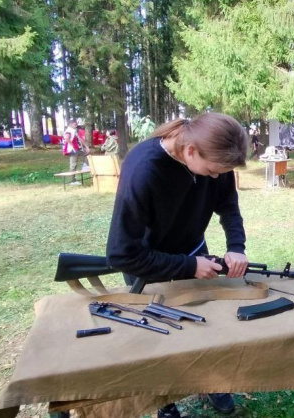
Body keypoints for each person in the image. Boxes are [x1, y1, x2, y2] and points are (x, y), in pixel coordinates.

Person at [106, 112, 250, 418]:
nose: (215, 177)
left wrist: (236, 246)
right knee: (159, 334)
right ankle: (164, 401)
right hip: (148, 263)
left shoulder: (214, 160)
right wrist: (187, 267)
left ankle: (212, 381)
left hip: (194, 253)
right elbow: (121, 254)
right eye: (212, 171)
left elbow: (228, 205)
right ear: (190, 151)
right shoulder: (143, 169)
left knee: (207, 322)